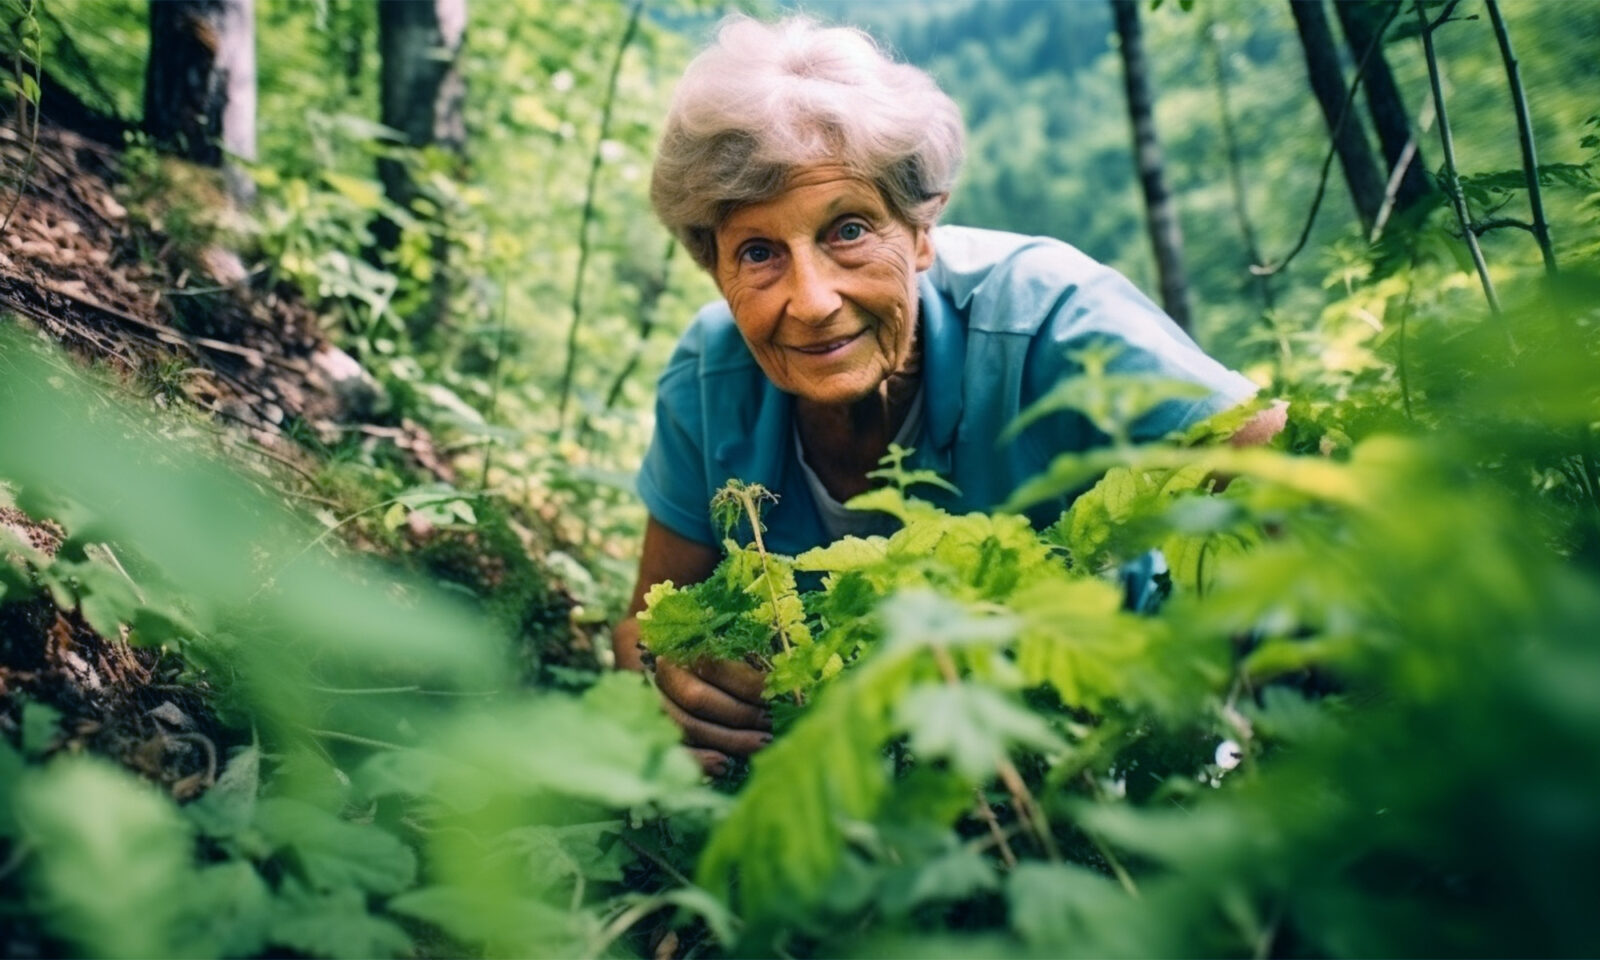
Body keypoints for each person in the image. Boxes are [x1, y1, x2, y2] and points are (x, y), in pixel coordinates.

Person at [612, 16, 1284, 774]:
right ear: (716, 271)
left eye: (849, 230)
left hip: (1100, 753)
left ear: (922, 230)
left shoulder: (1051, 317)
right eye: (760, 253)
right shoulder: (710, 376)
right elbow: (645, 625)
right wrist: (673, 681)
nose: (812, 300)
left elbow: (1297, 480)